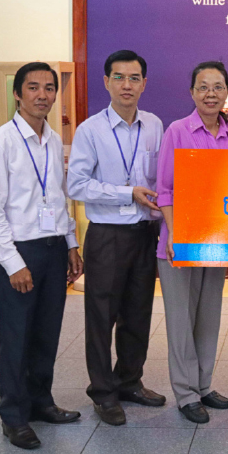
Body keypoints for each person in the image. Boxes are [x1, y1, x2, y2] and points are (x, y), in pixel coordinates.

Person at [0, 62, 83, 449]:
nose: (43, 94)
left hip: (53, 248)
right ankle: (14, 416)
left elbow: (58, 198)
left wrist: (71, 243)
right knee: (17, 337)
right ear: (17, 94)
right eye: (34, 87)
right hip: (20, 253)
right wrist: (13, 263)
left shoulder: (53, 140)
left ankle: (41, 402)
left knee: (46, 333)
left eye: (49, 87)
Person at [67, 50, 166, 426]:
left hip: (144, 234)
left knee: (138, 314)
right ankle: (103, 392)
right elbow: (76, 185)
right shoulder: (90, 130)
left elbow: (162, 180)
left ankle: (129, 382)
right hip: (107, 235)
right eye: (119, 77)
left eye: (134, 78)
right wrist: (127, 193)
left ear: (144, 83)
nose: (127, 85)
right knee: (101, 317)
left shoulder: (154, 125)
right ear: (106, 81)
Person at [157, 61, 228, 424]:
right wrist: (174, 233)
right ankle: (186, 393)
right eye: (203, 87)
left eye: (217, 87)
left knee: (208, 317)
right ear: (192, 92)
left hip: (216, 240)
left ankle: (204, 385)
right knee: (181, 319)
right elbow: (164, 189)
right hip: (180, 239)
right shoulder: (177, 130)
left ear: (227, 92)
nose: (210, 94)